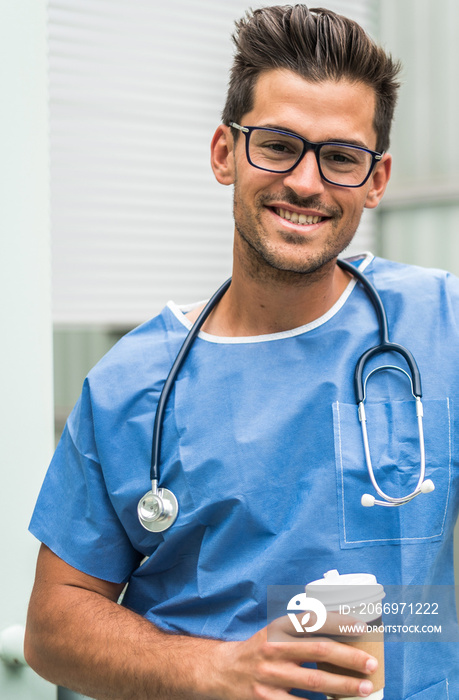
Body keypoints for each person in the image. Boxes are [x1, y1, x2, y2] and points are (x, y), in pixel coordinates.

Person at [25, 5, 459, 699]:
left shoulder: (439, 326)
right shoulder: (131, 387)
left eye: (340, 157)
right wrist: (212, 667)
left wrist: (408, 617)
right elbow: (53, 626)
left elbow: (414, 609)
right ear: (225, 152)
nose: (306, 183)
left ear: (375, 181)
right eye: (278, 145)